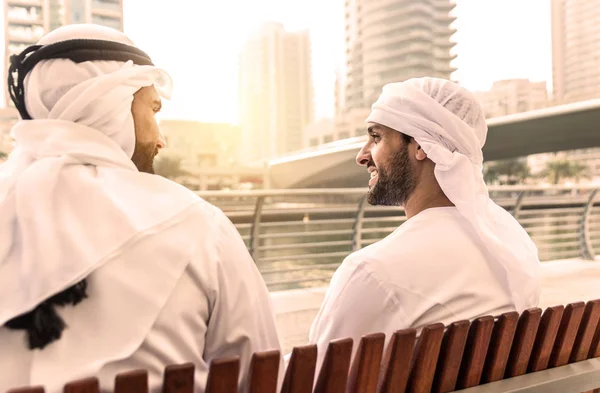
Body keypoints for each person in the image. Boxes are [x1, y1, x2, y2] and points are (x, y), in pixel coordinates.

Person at [0, 24, 281, 393]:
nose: (160, 138)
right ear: (110, 105)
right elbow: (258, 373)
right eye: (152, 109)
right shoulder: (199, 225)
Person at [308, 77, 541, 369]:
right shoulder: (514, 250)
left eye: (376, 136)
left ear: (420, 146)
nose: (361, 155)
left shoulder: (372, 271)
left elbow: (318, 377)